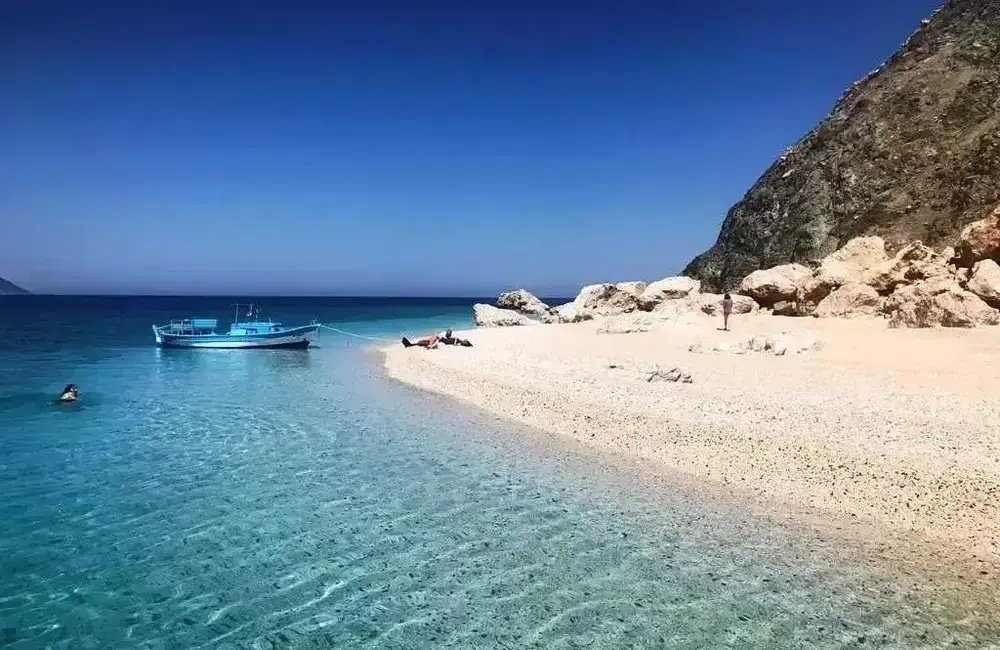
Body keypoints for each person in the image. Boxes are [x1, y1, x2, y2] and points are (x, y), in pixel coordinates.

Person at [401, 329, 472, 349]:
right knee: (424, 341)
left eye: (466, 341)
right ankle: (412, 344)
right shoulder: (458, 341)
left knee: (433, 336)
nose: (465, 340)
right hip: (442, 340)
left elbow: (451, 342)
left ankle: (411, 345)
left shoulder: (458, 341)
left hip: (442, 340)